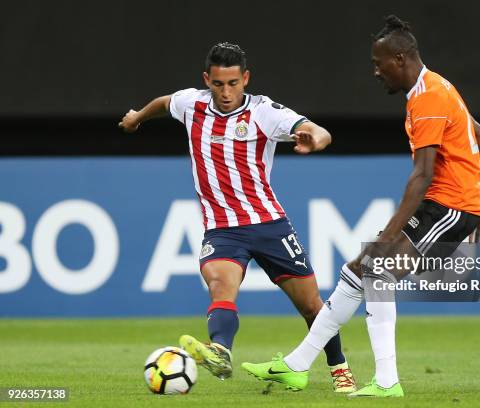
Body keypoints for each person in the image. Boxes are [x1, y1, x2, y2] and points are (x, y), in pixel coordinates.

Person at [241, 15, 480, 397]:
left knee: (378, 270)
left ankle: (387, 381)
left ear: (400, 59)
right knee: (358, 272)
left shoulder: (428, 98)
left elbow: (422, 175)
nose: (375, 72)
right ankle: (296, 366)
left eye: (379, 64)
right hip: (455, 204)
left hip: (449, 205)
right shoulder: (437, 86)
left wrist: (395, 233)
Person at [118, 42, 356, 392]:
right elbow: (165, 102)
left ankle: (340, 369)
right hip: (223, 230)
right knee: (220, 286)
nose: (226, 92)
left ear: (245, 78)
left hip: (269, 225)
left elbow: (319, 130)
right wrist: (138, 116)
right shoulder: (192, 104)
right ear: (206, 80)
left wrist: (315, 139)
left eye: (233, 83)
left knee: (311, 306)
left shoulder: (264, 112)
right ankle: (220, 351)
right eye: (218, 84)